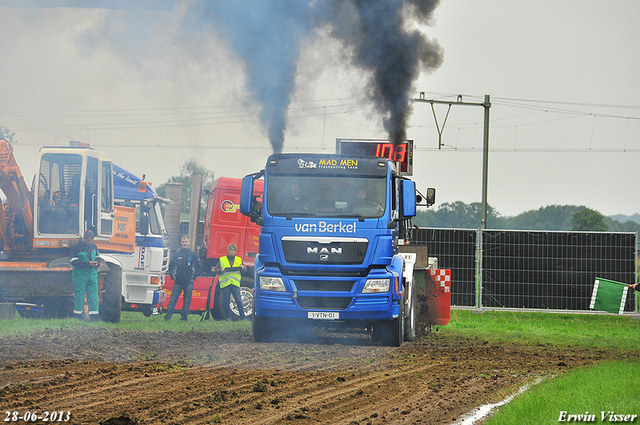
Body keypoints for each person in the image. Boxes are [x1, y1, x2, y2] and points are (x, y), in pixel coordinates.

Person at [165, 235, 200, 322]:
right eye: (183, 242)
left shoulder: (193, 255)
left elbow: (198, 267)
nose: (184, 243)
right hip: (178, 282)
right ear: (181, 243)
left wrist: (194, 277)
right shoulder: (177, 254)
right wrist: (173, 277)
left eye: (186, 242)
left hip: (189, 282)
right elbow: (171, 266)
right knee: (172, 300)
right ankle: (167, 317)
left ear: (189, 242)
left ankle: (184, 318)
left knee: (187, 302)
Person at [70, 230, 102, 321]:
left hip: (92, 275)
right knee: (79, 295)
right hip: (80, 276)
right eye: (88, 240)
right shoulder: (76, 247)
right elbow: (73, 261)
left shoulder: (93, 246)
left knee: (93, 295)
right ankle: (78, 315)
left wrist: (97, 263)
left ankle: (94, 316)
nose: (90, 243)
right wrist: (87, 263)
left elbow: (98, 257)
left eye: (91, 241)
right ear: (84, 237)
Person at [216, 243, 247, 321]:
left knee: (239, 301)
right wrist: (221, 270)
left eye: (233, 250)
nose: (232, 252)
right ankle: (228, 318)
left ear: (235, 251)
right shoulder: (222, 259)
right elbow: (216, 270)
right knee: (226, 302)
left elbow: (244, 271)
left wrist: (243, 267)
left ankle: (243, 317)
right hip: (225, 283)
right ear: (228, 251)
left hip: (235, 283)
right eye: (230, 250)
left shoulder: (239, 259)